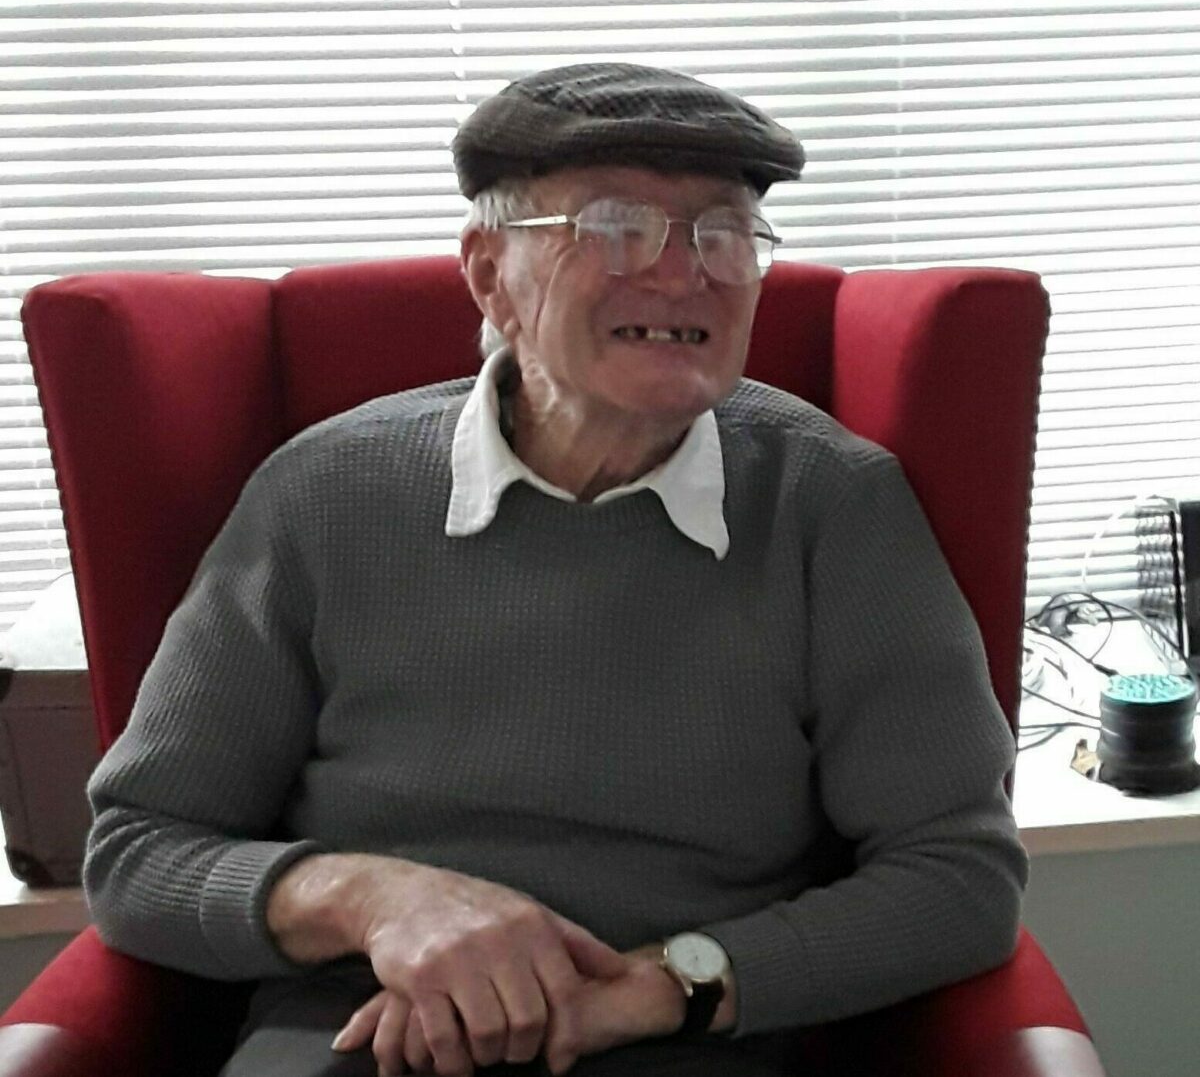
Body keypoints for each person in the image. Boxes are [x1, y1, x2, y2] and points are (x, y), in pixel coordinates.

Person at [82, 62, 1028, 1077]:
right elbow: (138, 852)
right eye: (615, 227)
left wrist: (673, 983)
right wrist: (374, 899)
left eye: (722, 232)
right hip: (360, 1030)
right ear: (490, 272)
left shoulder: (835, 506)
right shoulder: (320, 493)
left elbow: (959, 875)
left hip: (689, 1039)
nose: (683, 275)